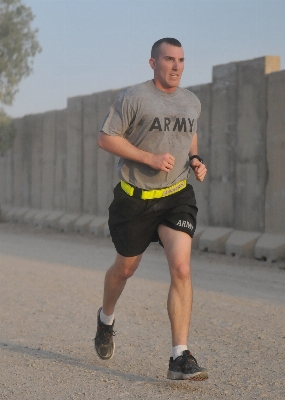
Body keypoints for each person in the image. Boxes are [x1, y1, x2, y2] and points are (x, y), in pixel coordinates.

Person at [94, 38, 208, 381]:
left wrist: (195, 159)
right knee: (125, 270)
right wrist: (149, 158)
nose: (177, 66)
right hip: (135, 198)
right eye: (169, 60)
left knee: (182, 268)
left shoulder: (192, 102)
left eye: (182, 60)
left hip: (177, 196)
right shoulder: (134, 98)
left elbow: (190, 135)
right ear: (153, 63)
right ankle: (105, 320)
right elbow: (105, 138)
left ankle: (179, 356)